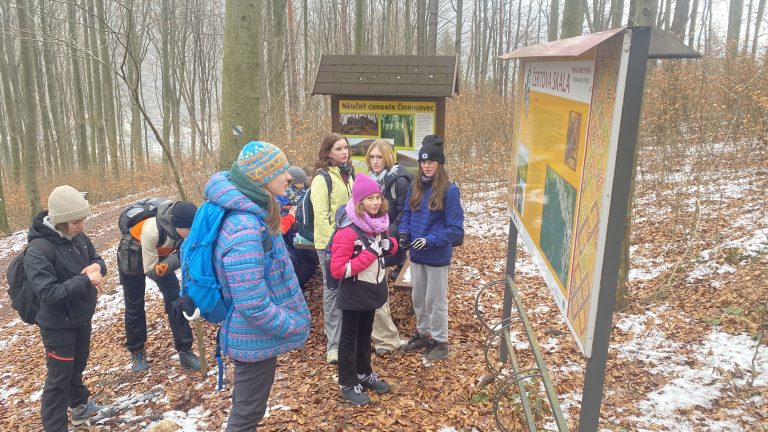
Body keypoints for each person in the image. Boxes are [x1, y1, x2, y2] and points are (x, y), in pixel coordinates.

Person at [205, 141, 311, 431]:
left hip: (255, 334)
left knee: (249, 410)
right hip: (252, 335)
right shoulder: (245, 229)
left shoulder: (254, 215)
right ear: (262, 177)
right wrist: (290, 324)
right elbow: (251, 302)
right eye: (280, 171)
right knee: (246, 416)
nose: (288, 176)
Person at [24, 185, 107, 430]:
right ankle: (55, 426)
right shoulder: (38, 250)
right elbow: (49, 293)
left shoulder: (79, 239)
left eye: (83, 220)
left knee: (76, 368)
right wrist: (84, 280)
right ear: (60, 221)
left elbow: (97, 259)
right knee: (58, 379)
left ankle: (80, 407)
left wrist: (97, 268)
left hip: (81, 316)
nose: (81, 226)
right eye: (76, 222)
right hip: (57, 325)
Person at [329, 174, 397, 405]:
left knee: (365, 334)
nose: (376, 203)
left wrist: (390, 246)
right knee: (349, 338)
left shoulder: (377, 224)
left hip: (371, 291)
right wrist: (371, 254)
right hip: (353, 293)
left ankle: (364, 372)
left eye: (378, 197)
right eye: (370, 199)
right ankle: (347, 383)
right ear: (359, 202)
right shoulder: (348, 231)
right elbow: (338, 269)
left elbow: (385, 247)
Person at [399, 135, 464, 362]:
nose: (427, 166)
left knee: (435, 300)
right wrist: (404, 233)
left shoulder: (450, 190)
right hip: (416, 254)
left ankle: (440, 341)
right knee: (418, 297)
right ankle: (424, 333)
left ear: (439, 163)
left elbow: (455, 229)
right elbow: (407, 213)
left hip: (436, 255)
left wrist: (430, 240)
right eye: (423, 162)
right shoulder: (415, 185)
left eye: (431, 162)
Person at [118, 200, 201, 372]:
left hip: (160, 253)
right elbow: (151, 271)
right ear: (178, 225)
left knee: (175, 300)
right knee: (134, 304)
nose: (193, 233)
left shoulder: (185, 228)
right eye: (189, 229)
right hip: (132, 252)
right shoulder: (152, 230)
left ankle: (185, 351)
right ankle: (137, 351)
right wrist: (179, 257)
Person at [365, 139, 413, 355]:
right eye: (372, 156)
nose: (375, 161)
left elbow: (404, 213)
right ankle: (383, 338)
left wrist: (388, 237)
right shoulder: (367, 180)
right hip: (369, 242)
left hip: (387, 243)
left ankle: (385, 340)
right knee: (375, 290)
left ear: (388, 157)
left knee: (378, 291)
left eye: (379, 156)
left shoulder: (399, 181)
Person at [311, 133, 355, 364]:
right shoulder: (322, 178)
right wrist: (335, 245)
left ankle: (349, 339)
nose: (344, 152)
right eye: (339, 149)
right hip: (329, 246)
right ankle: (334, 346)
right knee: (332, 292)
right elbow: (321, 216)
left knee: (348, 290)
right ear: (328, 152)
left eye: (346, 148)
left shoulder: (348, 174)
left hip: (350, 242)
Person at [278, 165, 318, 290]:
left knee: (306, 259)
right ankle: (296, 286)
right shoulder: (288, 193)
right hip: (291, 231)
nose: (303, 184)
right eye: (301, 182)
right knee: (302, 259)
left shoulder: (301, 190)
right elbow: (298, 203)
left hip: (294, 229)